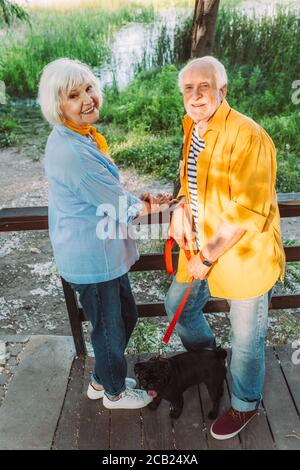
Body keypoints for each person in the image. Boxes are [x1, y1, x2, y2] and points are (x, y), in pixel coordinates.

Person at [165, 56, 286, 439]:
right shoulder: (193, 128)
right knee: (177, 308)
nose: (196, 95)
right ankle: (210, 360)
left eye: (205, 87)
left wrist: (206, 257)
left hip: (241, 255)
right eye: (189, 88)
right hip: (200, 248)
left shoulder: (248, 136)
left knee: (247, 340)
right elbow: (192, 181)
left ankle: (245, 404)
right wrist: (179, 209)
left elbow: (245, 211)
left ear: (223, 91)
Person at [38, 57, 167, 410]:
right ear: (58, 106)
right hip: (91, 256)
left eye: (89, 88)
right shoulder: (72, 152)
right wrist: (149, 207)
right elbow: (111, 201)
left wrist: (135, 199)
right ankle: (114, 392)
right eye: (73, 95)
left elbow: (107, 191)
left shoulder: (81, 137)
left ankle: (102, 379)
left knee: (125, 317)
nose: (87, 99)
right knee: (111, 327)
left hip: (102, 251)